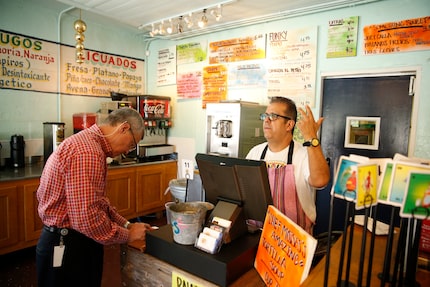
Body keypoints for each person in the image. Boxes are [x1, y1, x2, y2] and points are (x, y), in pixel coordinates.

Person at [36, 108, 152, 287]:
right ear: (123, 128)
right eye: (131, 144)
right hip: (68, 245)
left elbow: (99, 203)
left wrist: (127, 224)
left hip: (72, 240)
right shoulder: (88, 152)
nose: (127, 152)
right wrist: (128, 235)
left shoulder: (89, 144)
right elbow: (86, 220)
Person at [246, 97, 330, 234]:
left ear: (289, 125)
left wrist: (311, 138)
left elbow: (320, 181)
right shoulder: (255, 152)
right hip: (258, 236)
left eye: (273, 116)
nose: (266, 120)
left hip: (293, 242)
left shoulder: (304, 155)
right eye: (265, 116)